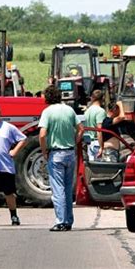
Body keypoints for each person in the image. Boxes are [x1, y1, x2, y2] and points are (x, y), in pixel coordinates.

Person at [39, 85, 84, 232]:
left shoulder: (47, 112)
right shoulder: (69, 110)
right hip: (70, 153)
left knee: (58, 190)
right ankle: (69, 220)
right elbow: (81, 129)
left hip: (56, 153)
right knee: (67, 188)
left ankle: (60, 221)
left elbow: (42, 134)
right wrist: (75, 141)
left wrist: (44, 151)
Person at [84, 89, 106, 160]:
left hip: (89, 143)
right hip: (97, 143)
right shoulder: (100, 111)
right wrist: (101, 147)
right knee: (100, 168)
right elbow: (99, 130)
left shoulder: (87, 111)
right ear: (102, 99)